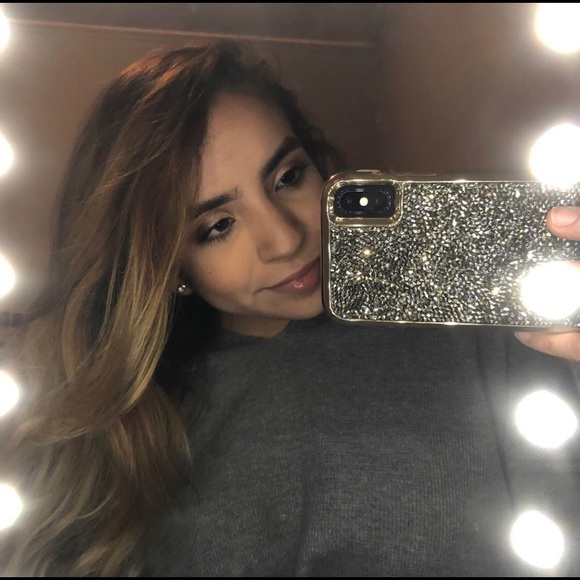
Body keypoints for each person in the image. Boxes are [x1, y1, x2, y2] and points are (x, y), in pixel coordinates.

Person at [1, 40, 580, 577]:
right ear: (166, 264)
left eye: (288, 176)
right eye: (217, 225)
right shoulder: (129, 425)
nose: (285, 238)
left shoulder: (480, 333)